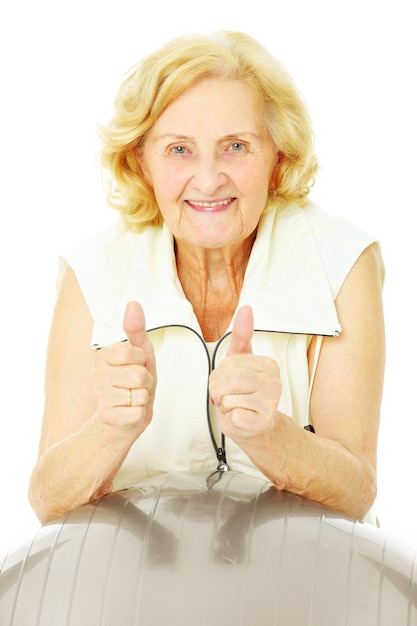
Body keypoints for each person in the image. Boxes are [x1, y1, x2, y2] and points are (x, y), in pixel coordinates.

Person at [28, 31, 385, 526]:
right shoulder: (92, 270)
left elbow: (357, 494)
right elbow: (47, 499)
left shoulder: (343, 261)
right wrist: (109, 431)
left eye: (236, 146)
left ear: (277, 157)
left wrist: (270, 436)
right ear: (140, 161)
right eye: (179, 150)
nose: (209, 177)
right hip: (134, 590)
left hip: (303, 591)